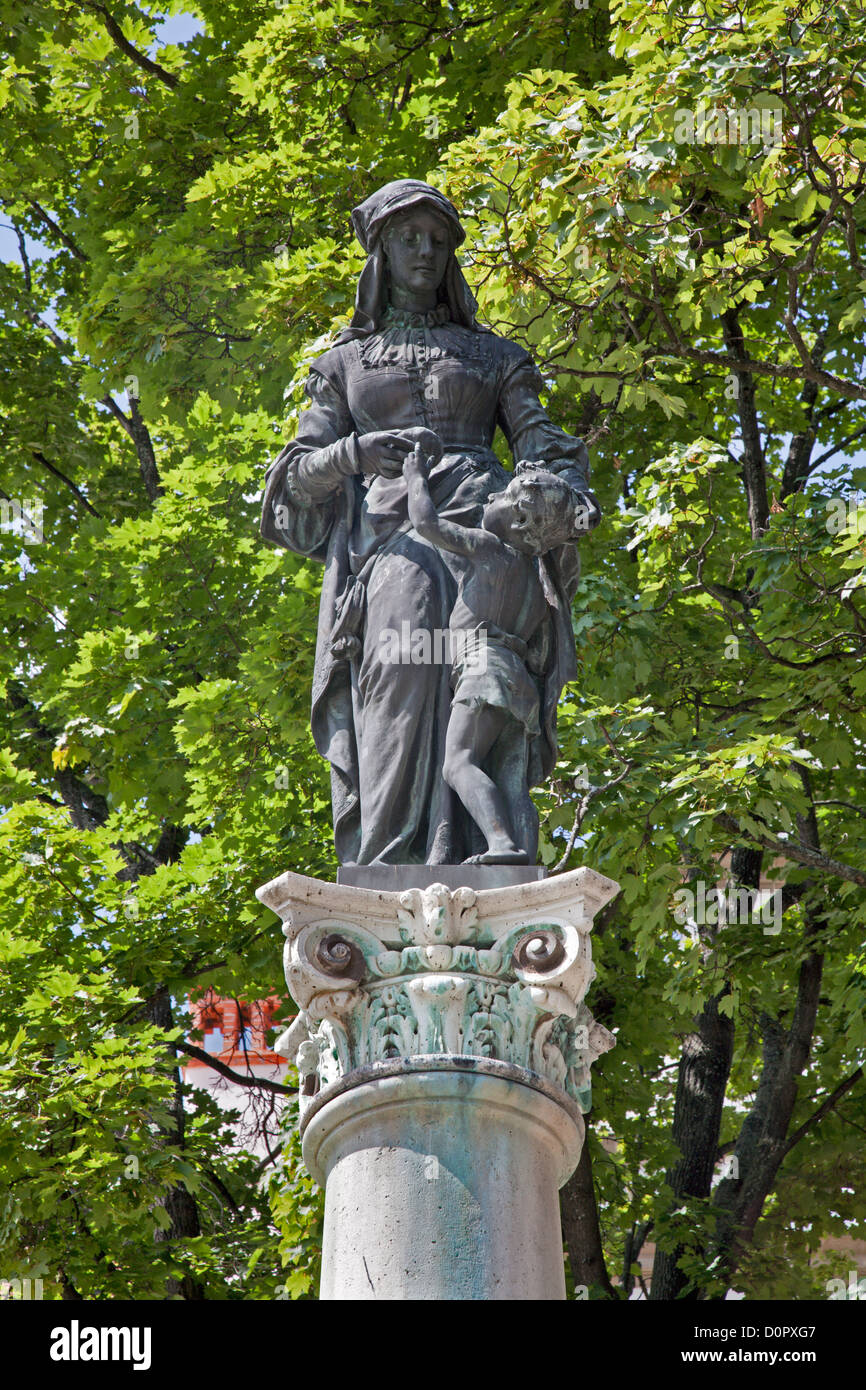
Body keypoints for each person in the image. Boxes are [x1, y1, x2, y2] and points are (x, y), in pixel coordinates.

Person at [260, 179, 600, 865]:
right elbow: (294, 476)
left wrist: (564, 497)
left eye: (439, 240)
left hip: (489, 539)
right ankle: (386, 864)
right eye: (410, 237)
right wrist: (354, 453)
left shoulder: (498, 357)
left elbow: (542, 442)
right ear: (380, 247)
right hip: (395, 543)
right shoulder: (341, 365)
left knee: (483, 697)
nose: (426, 250)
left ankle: (486, 849)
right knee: (400, 679)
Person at [403, 445, 592, 863]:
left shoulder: (490, 549)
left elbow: (427, 523)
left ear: (521, 520)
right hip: (520, 683)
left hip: (483, 669)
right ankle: (523, 861)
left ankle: (502, 844)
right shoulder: (541, 580)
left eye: (503, 496)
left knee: (458, 763)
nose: (491, 497)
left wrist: (415, 477)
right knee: (512, 782)